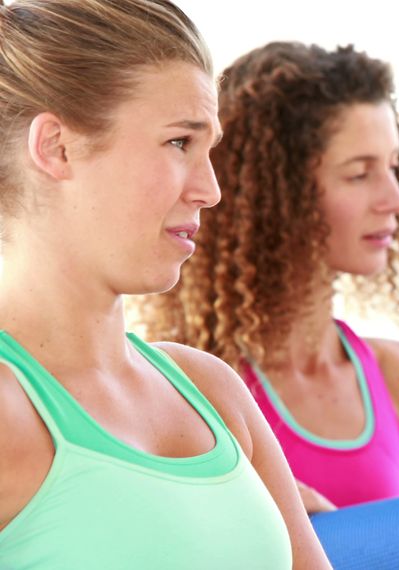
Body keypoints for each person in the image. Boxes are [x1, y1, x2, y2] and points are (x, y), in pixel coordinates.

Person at [0, 1, 330, 567]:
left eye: (210, 150)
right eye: (180, 142)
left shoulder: (211, 392)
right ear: (56, 147)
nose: (210, 189)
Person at [138, 42, 399, 514]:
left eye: (392, 167)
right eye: (360, 174)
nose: (397, 199)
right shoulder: (178, 388)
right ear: (279, 194)